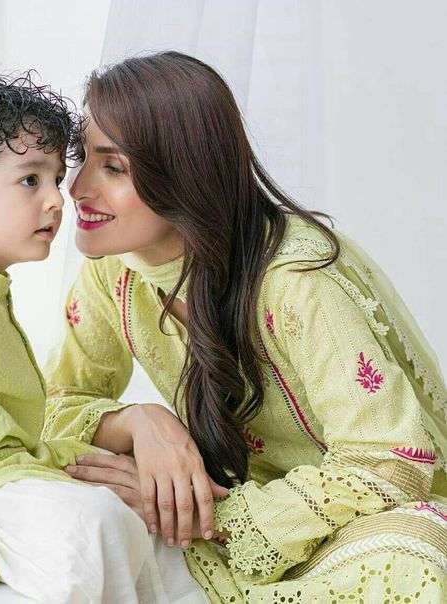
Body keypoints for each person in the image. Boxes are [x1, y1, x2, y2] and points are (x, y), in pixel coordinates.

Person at [43, 51, 447, 603]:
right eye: (82, 158)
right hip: (232, 511)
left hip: (366, 520)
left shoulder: (296, 280)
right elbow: (51, 405)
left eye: (113, 168)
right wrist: (141, 422)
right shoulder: (117, 273)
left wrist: (223, 519)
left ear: (183, 173)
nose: (76, 189)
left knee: (413, 557)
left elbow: (394, 460)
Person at [0, 73, 206, 603]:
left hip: (1, 474)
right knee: (95, 525)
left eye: (56, 179)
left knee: (144, 517)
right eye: (30, 180)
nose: (58, 200)